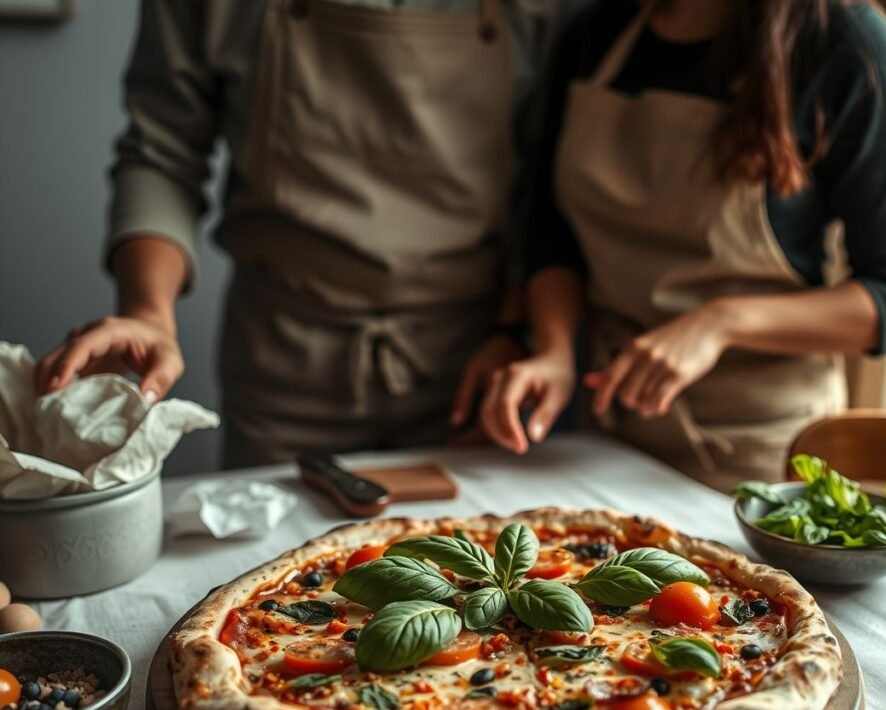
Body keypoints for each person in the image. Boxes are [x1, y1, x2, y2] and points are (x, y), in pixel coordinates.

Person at [35, 0, 582, 468]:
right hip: (285, 363)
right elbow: (161, 153)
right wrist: (148, 312)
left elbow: (543, 186)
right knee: (282, 585)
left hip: (471, 368)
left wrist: (514, 331)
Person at [478, 0, 886, 490]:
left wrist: (719, 323)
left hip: (757, 452)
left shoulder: (844, 41)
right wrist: (553, 350)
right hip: (607, 435)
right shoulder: (596, 31)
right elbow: (553, 235)